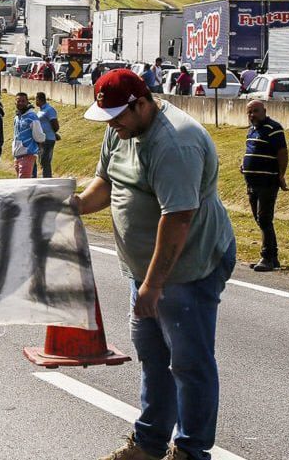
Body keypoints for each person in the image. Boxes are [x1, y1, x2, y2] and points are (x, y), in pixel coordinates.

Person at [77, 70, 235, 460]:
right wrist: (75, 207)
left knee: (188, 362)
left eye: (118, 116)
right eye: (108, 117)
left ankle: (190, 451)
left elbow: (178, 218)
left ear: (142, 102)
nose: (112, 124)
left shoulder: (175, 143)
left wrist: (153, 285)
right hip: (145, 271)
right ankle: (148, 445)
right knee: (153, 358)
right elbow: (106, 183)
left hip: (186, 269)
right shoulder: (121, 130)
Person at [240, 100, 288, 273]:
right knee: (259, 219)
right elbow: (251, 150)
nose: (252, 115)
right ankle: (272, 258)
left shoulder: (273, 128)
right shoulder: (251, 130)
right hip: (251, 182)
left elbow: (282, 152)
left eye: (256, 111)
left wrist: (281, 175)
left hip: (267, 181)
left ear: (264, 111)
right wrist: (244, 165)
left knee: (265, 218)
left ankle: (267, 257)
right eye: (250, 112)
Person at [11, 92, 44, 179]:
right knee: (20, 182)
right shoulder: (17, 117)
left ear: (27, 102)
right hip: (18, 155)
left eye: (23, 101)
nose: (20, 103)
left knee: (24, 183)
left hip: (27, 154)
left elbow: (39, 136)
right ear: (15, 102)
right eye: (18, 101)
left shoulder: (32, 117)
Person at [34, 92, 59, 178]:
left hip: (48, 139)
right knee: (42, 161)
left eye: (36, 99)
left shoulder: (49, 109)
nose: (35, 101)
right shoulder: (40, 110)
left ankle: (47, 179)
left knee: (45, 160)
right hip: (42, 139)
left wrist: (53, 133)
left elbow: (55, 125)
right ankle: (45, 177)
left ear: (39, 99)